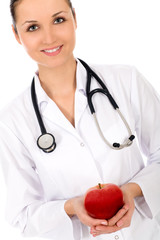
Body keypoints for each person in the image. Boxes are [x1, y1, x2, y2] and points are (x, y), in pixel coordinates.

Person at [0, 0, 160, 239]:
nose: (49, 37)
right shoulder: (13, 121)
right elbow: (22, 215)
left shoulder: (127, 81)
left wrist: (131, 191)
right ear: (16, 34)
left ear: (75, 18)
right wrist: (71, 207)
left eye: (58, 20)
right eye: (33, 27)